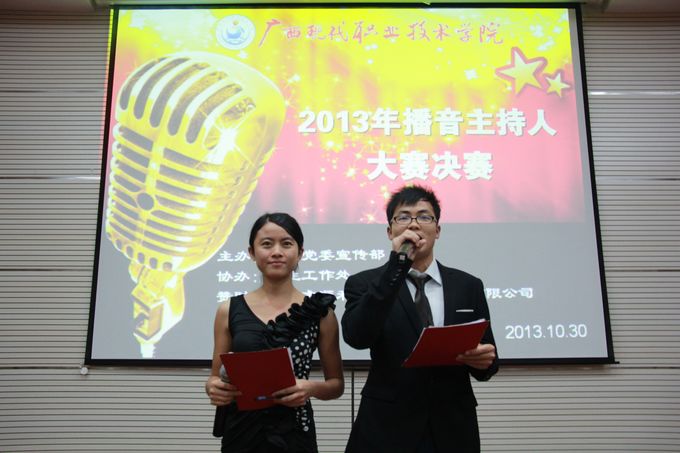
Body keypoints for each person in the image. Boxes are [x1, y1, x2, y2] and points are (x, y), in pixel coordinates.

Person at [341, 185, 498, 453]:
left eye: (424, 216)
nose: (414, 224)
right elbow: (357, 337)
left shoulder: (468, 285)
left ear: (437, 230)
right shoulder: (365, 283)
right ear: (390, 231)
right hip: (386, 427)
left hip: (452, 427)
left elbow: (488, 362)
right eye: (403, 217)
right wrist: (397, 266)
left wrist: (484, 361)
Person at [206, 212, 344, 453]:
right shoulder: (228, 309)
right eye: (267, 244)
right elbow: (215, 377)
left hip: (295, 433)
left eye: (287, 244)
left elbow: (336, 385)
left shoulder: (319, 313)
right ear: (252, 252)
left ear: (300, 253)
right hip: (241, 432)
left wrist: (310, 388)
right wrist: (213, 387)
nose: (277, 252)